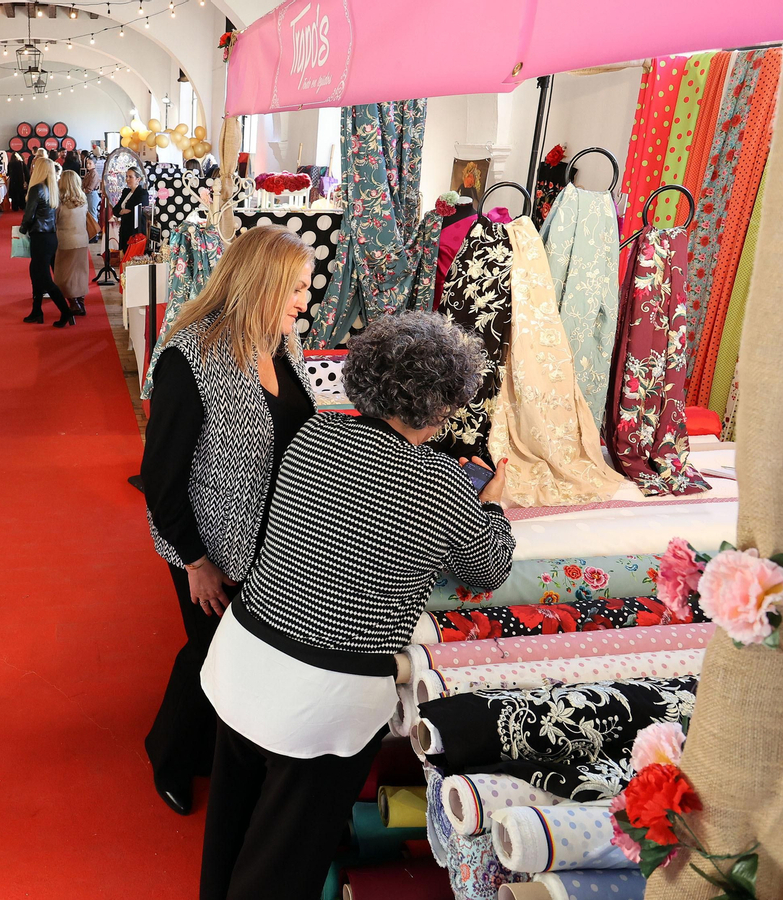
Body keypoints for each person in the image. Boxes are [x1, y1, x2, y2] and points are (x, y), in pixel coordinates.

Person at [197, 312, 516, 900]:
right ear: (442, 406)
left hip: (245, 655)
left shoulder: (315, 434)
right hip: (325, 695)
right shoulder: (443, 483)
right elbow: (488, 571)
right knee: (283, 857)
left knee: (231, 821)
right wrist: (490, 505)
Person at [140, 225, 315, 816]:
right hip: (211, 549)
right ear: (262, 284)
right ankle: (168, 753)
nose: (304, 301)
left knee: (239, 660)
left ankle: (214, 750)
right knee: (210, 657)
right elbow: (161, 482)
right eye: (295, 288)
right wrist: (194, 561)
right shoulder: (189, 358)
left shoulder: (278, 344)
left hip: (273, 546)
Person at [19, 156, 74, 328]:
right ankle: (37, 311)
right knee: (36, 274)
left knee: (43, 278)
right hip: (50, 237)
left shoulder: (36, 189)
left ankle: (66, 312)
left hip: (40, 237)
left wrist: (21, 229)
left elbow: (29, 215)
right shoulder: (52, 189)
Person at [54, 170, 92, 317]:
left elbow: (55, 221)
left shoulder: (60, 202)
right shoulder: (83, 200)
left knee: (63, 275)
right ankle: (80, 302)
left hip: (65, 241)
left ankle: (74, 303)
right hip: (82, 240)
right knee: (80, 273)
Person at [113, 167, 150, 258]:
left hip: (135, 230)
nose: (127, 179)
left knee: (133, 257)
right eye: (126, 176)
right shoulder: (126, 192)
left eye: (130, 177)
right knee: (124, 255)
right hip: (124, 228)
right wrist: (121, 211)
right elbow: (115, 209)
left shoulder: (142, 193)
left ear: (138, 179)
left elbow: (136, 211)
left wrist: (124, 211)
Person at [80, 152, 102, 243]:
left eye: (90, 163)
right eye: (87, 163)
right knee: (90, 214)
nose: (88, 165)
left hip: (92, 195)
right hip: (88, 195)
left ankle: (94, 235)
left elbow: (90, 188)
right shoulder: (89, 173)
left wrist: (82, 190)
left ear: (95, 164)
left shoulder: (94, 174)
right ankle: (91, 234)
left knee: (93, 215)